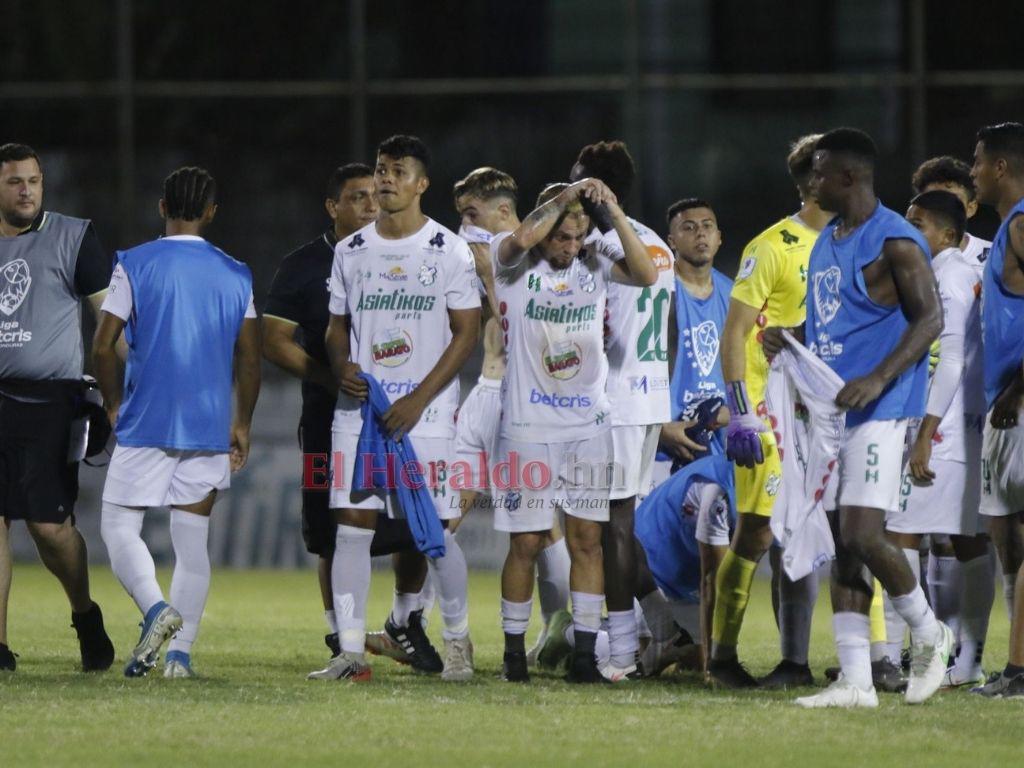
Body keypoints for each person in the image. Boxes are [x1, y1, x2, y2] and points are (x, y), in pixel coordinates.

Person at [763, 127, 951, 708]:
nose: (810, 182)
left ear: (848, 177)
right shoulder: (828, 242)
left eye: (818, 172)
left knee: (863, 534)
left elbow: (930, 321)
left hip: (882, 408)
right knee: (844, 548)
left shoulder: (895, 239)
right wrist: (790, 339)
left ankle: (929, 633)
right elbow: (831, 329)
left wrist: (879, 378)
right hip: (834, 413)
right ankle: (855, 682)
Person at [310, 135, 480, 683]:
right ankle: (352, 651)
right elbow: (336, 328)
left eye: (397, 172)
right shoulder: (351, 250)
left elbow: (466, 333)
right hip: (358, 413)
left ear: (421, 184)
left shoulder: (448, 250)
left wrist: (418, 399)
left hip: (425, 417)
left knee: (434, 533)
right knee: (352, 527)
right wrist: (342, 366)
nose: (384, 180)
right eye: (381, 170)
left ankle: (458, 644)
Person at [93, 166, 261, 678]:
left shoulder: (135, 264)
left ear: (161, 207)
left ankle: (154, 609)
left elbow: (102, 344)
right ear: (211, 212)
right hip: (209, 427)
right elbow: (250, 357)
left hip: (148, 419)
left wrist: (113, 402)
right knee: (192, 543)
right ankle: (180, 658)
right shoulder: (236, 272)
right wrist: (242, 423)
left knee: (119, 526)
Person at [491, 179, 657, 683]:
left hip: (588, 425)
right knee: (526, 543)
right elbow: (519, 238)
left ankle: (586, 652)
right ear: (544, 230)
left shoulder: (595, 257)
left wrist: (612, 212)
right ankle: (514, 652)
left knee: (587, 540)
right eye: (561, 237)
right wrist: (566, 198)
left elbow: (647, 274)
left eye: (577, 237)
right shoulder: (513, 263)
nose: (570, 247)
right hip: (526, 426)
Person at [264, 164, 431, 663]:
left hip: (401, 415)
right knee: (330, 530)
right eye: (356, 197)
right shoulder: (304, 265)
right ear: (332, 207)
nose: (369, 205)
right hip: (326, 417)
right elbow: (272, 339)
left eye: (372, 196)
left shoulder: (412, 253)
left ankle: (405, 620)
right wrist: (330, 376)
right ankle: (342, 634)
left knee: (413, 521)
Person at [709, 134, 831, 689]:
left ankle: (843, 660)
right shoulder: (773, 245)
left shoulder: (855, 243)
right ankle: (722, 656)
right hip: (768, 410)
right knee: (759, 532)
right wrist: (741, 412)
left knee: (844, 529)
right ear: (817, 180)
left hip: (825, 413)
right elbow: (735, 333)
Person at [0, 142, 116, 673]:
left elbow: (111, 325)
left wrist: (116, 397)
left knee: (50, 527)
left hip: (51, 401)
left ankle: (84, 613)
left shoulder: (74, 235)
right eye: (14, 182)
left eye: (34, 181)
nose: (27, 191)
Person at [451, 167, 571, 666]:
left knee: (538, 530)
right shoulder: (483, 254)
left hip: (518, 403)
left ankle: (560, 625)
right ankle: (437, 630)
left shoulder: (538, 258)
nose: (463, 227)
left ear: (503, 212)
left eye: (471, 215)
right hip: (481, 394)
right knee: (443, 515)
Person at [570, 141, 675, 680]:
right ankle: (660, 622)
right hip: (649, 398)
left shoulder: (601, 249)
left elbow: (603, 326)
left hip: (615, 403)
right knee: (618, 523)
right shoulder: (657, 244)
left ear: (596, 189)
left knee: (609, 528)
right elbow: (667, 328)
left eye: (577, 182)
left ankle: (620, 654)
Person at [882, 191, 990, 690]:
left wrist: (923, 435)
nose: (909, 232)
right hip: (964, 424)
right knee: (968, 540)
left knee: (898, 534)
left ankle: (917, 650)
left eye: (917, 224)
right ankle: (968, 659)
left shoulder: (947, 278)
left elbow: (951, 361)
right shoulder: (961, 274)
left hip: (941, 429)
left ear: (947, 235)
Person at [969, 121, 1024, 699]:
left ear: (1002, 167)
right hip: (1001, 406)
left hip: (1017, 403)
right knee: (1005, 538)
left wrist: (1017, 392)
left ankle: (1019, 671)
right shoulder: (1008, 226)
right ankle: (1017, 663)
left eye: (979, 161)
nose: (974, 171)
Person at [656, 198, 732, 486]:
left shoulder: (735, 294)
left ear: (719, 238)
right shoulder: (657, 292)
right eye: (689, 228)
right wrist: (657, 428)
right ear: (671, 241)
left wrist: (729, 416)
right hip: (664, 438)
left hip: (718, 435)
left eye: (707, 226)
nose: (700, 234)